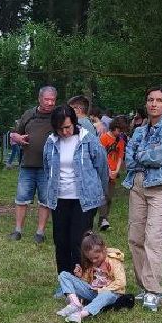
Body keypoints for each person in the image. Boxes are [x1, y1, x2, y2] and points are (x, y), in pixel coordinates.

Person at [121, 87, 162, 312]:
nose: (154, 104)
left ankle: (154, 290)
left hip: (161, 187)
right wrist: (144, 154)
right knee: (135, 237)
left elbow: (161, 156)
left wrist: (142, 154)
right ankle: (143, 285)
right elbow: (128, 158)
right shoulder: (139, 130)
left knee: (154, 238)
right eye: (150, 99)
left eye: (159, 100)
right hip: (137, 185)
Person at [42, 105, 109, 276]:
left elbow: (101, 166)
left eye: (67, 127)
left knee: (78, 241)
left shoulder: (88, 140)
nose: (64, 132)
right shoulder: (50, 142)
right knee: (61, 241)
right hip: (60, 198)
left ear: (74, 122)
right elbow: (47, 167)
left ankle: (81, 278)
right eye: (60, 128)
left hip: (84, 199)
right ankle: (64, 280)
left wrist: (100, 192)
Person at [9, 85, 57, 243]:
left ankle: (40, 233)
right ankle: (17, 230)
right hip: (27, 165)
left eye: (53, 100)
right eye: (47, 99)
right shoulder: (28, 114)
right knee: (21, 198)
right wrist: (16, 137)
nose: (50, 103)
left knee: (45, 200)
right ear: (39, 99)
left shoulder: (57, 116)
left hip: (47, 167)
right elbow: (15, 133)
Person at [54, 230, 126, 323]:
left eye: (96, 257)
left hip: (111, 293)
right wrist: (80, 276)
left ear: (104, 249)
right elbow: (88, 282)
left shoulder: (113, 261)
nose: (94, 261)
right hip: (93, 292)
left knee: (106, 295)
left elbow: (121, 282)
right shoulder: (91, 263)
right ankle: (75, 303)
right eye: (91, 259)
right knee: (64, 275)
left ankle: (80, 314)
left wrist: (102, 290)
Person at [98, 116, 128, 230]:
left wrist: (116, 170)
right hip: (104, 171)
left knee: (109, 197)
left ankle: (104, 219)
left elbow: (120, 157)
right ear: (114, 128)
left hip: (114, 172)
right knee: (103, 196)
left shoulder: (120, 141)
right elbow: (102, 156)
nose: (120, 133)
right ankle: (103, 219)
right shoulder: (104, 138)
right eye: (119, 131)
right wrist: (109, 170)